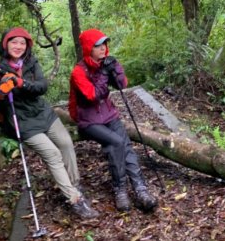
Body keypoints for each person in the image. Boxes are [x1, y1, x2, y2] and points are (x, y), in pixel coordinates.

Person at [0, 27, 98, 219]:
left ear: (27, 46)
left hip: (43, 113)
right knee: (53, 154)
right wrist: (1, 93)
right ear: (6, 44)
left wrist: (21, 83)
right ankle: (75, 200)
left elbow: (42, 86)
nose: (18, 46)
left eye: (22, 43)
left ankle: (75, 185)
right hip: (22, 121)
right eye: (14, 42)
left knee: (65, 143)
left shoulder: (31, 62)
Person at [68, 28, 158, 213]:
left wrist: (115, 67)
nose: (103, 48)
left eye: (104, 44)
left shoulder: (105, 64)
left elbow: (122, 85)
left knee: (125, 146)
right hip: (88, 121)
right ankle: (120, 190)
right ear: (88, 48)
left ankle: (140, 189)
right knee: (116, 143)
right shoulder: (78, 72)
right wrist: (103, 74)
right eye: (98, 45)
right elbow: (92, 95)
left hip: (109, 115)